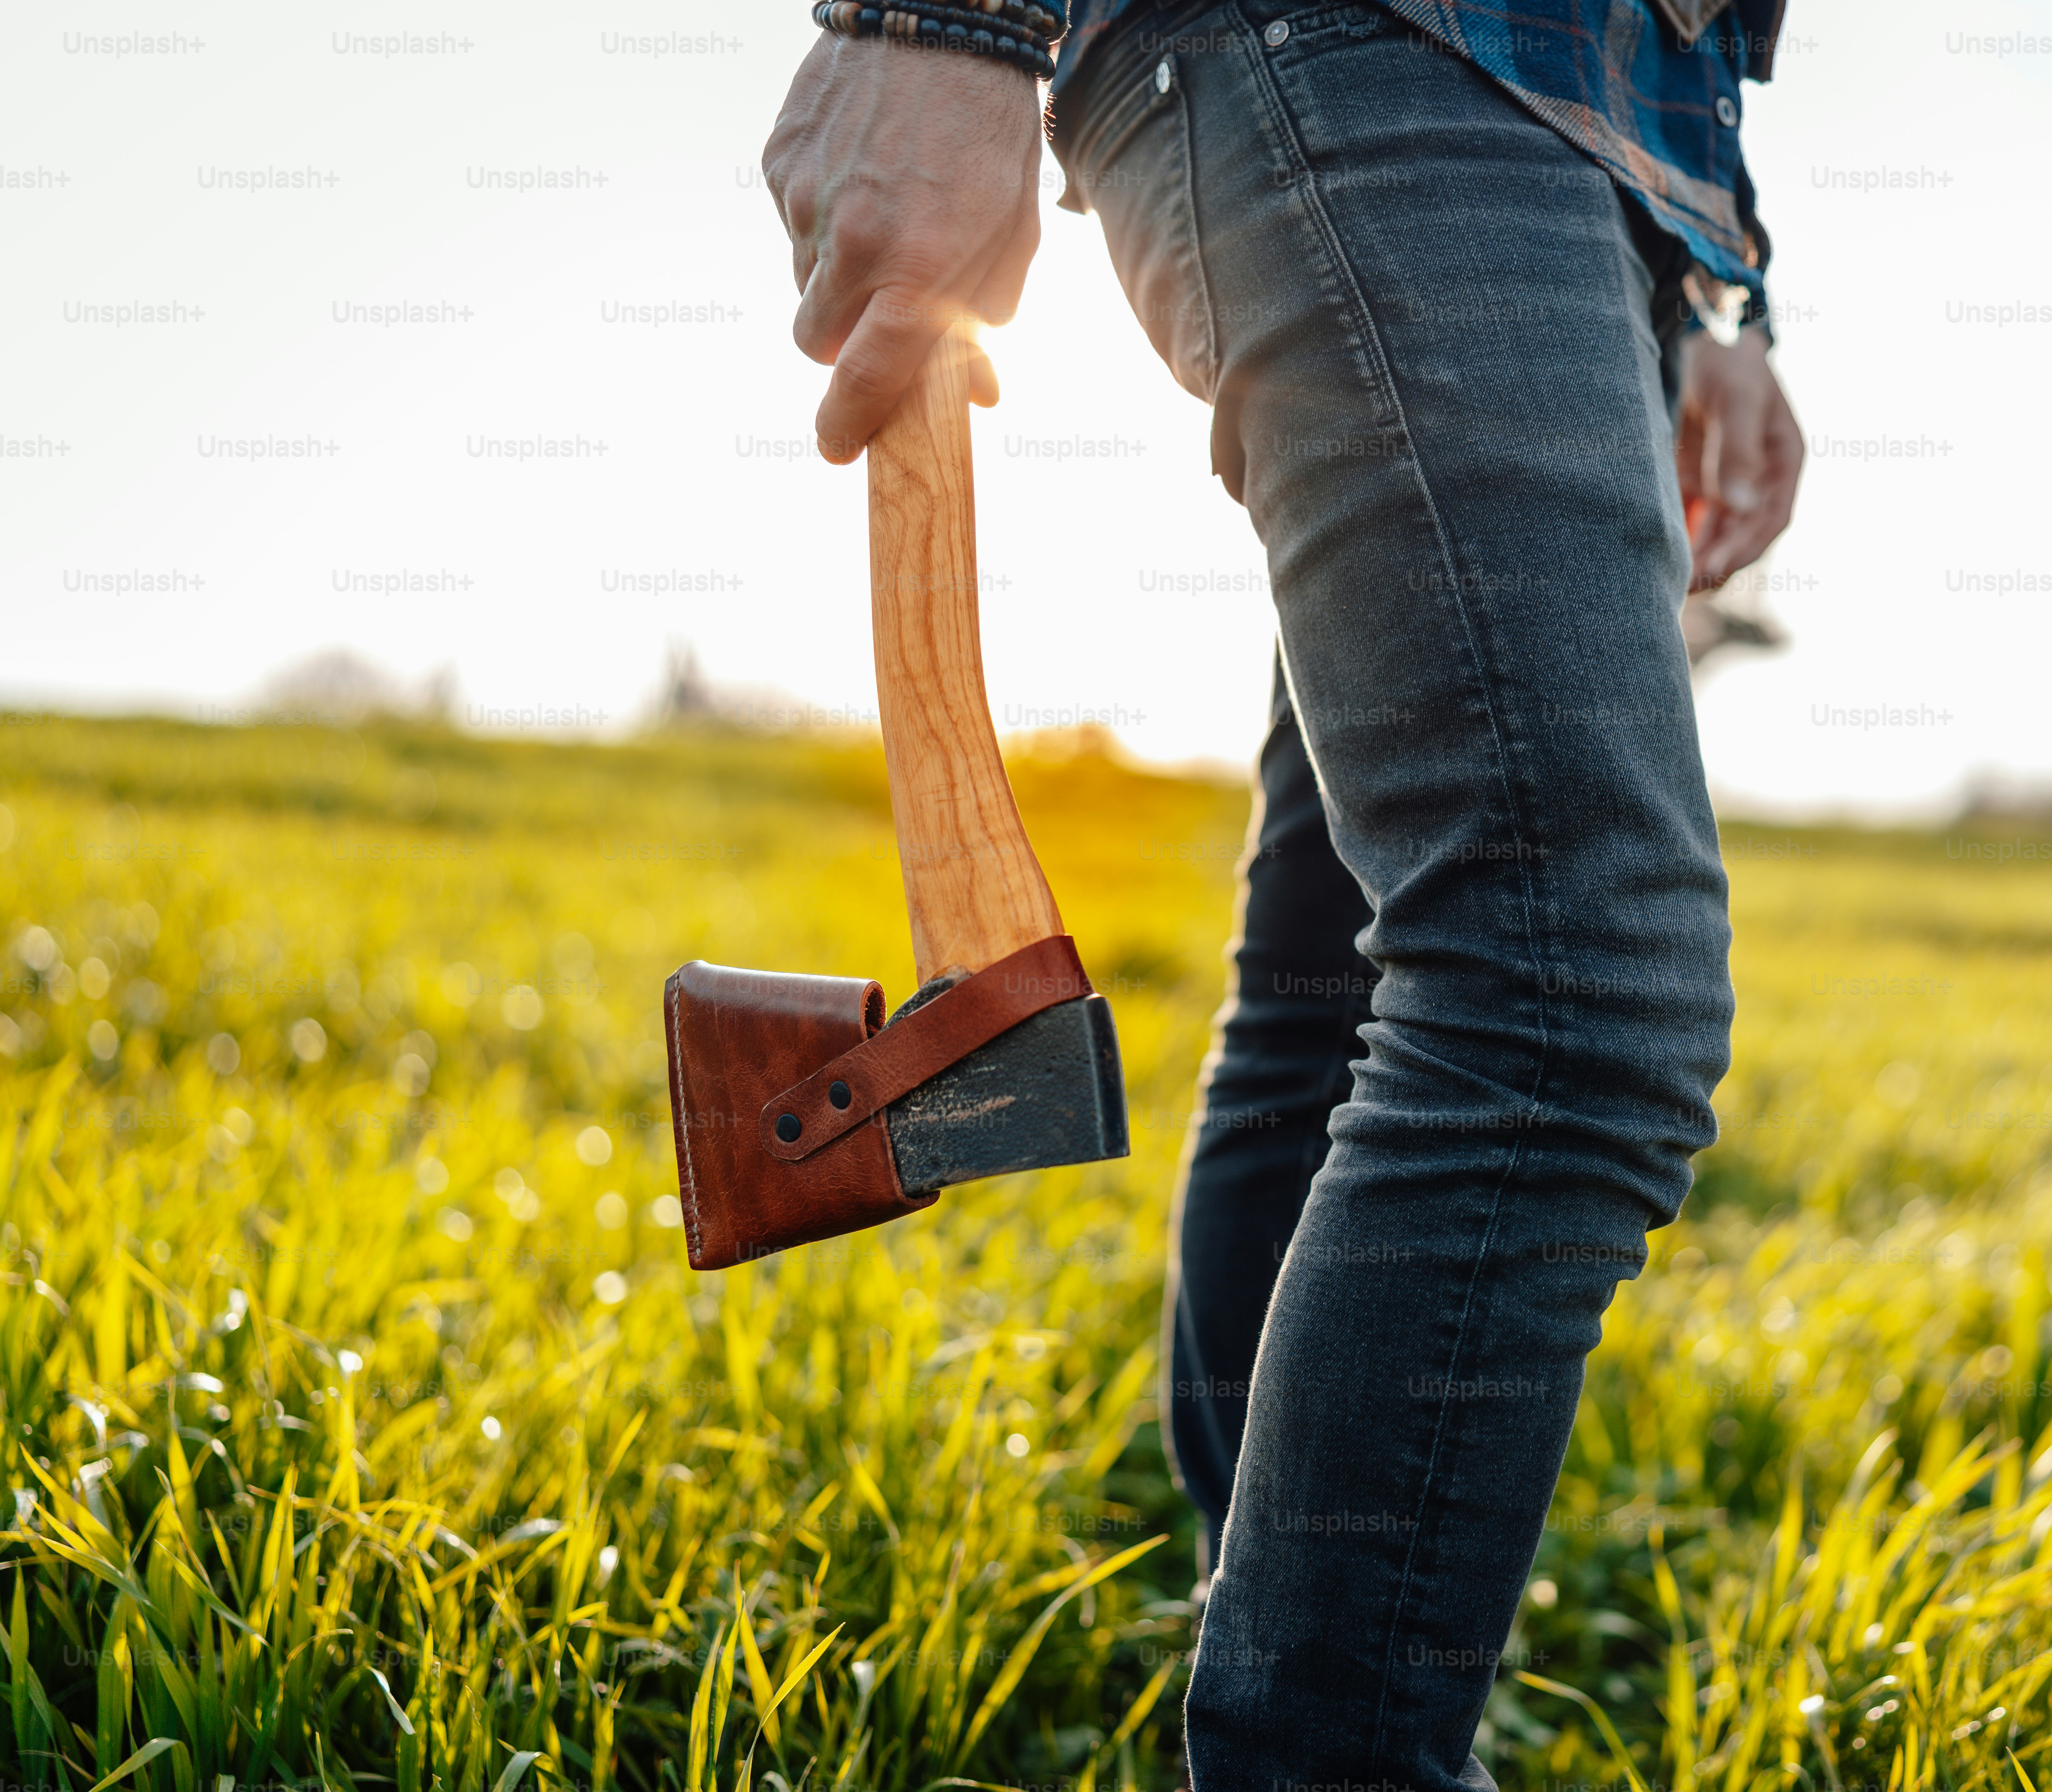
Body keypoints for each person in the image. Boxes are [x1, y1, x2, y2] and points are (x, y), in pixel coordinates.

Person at [763, 0, 1806, 1776]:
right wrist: (937, 27)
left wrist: (1717, 291)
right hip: (1370, 45)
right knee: (1566, 993)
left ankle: (1255, 1615)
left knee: (1338, 985)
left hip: (1600, 145)